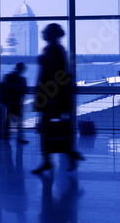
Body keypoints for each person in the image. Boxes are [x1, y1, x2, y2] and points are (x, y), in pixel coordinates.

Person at [32, 23, 84, 174]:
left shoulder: (54, 50)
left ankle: (51, 159)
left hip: (51, 95)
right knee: (52, 127)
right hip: (51, 94)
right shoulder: (54, 50)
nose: (44, 34)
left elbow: (55, 74)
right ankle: (65, 155)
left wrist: (51, 97)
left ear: (52, 34)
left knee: (47, 127)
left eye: (46, 32)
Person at [0, 62, 28, 144]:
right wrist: (16, 87)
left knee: (10, 119)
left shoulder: (10, 77)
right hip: (14, 101)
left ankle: (8, 136)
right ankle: (15, 137)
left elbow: (4, 87)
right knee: (15, 119)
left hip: (13, 101)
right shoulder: (20, 79)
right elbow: (25, 90)